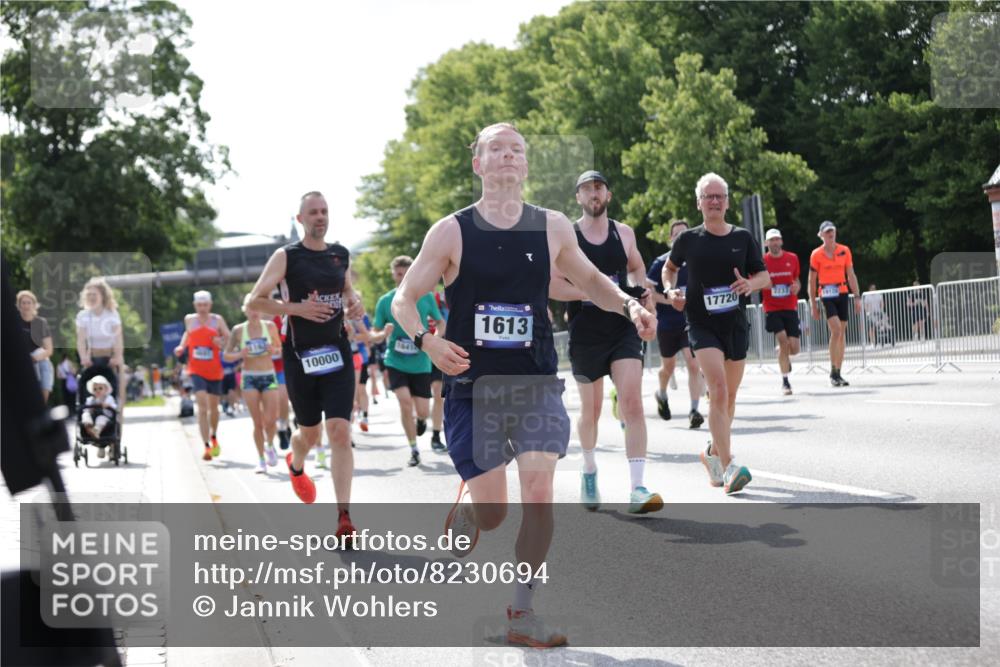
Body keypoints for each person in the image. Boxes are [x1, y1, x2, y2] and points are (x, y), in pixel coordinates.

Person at [391, 123, 656, 648]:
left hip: (535, 381)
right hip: (474, 385)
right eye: (496, 149)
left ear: (526, 166)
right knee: (495, 514)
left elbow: (592, 283)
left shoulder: (552, 225)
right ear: (478, 165)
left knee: (538, 493)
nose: (507, 156)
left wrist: (627, 305)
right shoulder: (451, 231)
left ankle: (521, 610)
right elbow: (403, 298)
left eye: (516, 149)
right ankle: (473, 507)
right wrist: (427, 341)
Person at [246, 191, 364, 539]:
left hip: (337, 352)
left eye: (325, 211)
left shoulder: (339, 254)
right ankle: (296, 465)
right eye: (313, 212)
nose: (320, 217)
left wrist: (354, 302)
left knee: (340, 431)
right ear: (301, 219)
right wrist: (296, 309)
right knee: (309, 434)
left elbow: (347, 291)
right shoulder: (286, 257)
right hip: (300, 357)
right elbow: (253, 300)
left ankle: (344, 517)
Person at [550, 170, 662, 514]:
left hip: (622, 326)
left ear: (608, 195)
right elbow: (552, 285)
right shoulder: (567, 236)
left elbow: (637, 269)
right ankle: (588, 468)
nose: (593, 194)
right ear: (578, 198)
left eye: (599, 188)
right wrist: (593, 292)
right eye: (586, 189)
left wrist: (643, 293)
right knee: (592, 411)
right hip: (585, 332)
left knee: (633, 403)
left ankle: (637, 487)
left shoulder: (623, 233)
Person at [662, 173, 769, 495]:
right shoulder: (688, 240)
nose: (714, 201)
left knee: (729, 397)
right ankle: (729, 464)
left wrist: (751, 284)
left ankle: (711, 453)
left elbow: (763, 274)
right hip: (701, 323)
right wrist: (671, 291)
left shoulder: (743, 237)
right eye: (708, 196)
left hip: (734, 324)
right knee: (718, 390)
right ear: (699, 203)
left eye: (719, 196)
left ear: (727, 202)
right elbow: (670, 269)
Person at [371, 256, 445, 466]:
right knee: (404, 403)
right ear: (393, 275)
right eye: (398, 274)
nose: (402, 278)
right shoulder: (386, 301)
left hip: (421, 363)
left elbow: (440, 323)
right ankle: (414, 449)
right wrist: (382, 333)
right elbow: (374, 332)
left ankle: (421, 421)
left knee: (423, 410)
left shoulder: (426, 298)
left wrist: (435, 340)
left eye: (406, 273)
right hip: (395, 361)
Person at [646, 220, 705, 427]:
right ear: (671, 239)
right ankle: (661, 393)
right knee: (668, 367)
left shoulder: (697, 260)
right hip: (667, 323)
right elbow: (649, 293)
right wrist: (670, 299)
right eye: (676, 235)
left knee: (693, 363)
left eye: (684, 233)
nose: (681, 238)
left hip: (691, 321)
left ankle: (694, 410)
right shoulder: (660, 263)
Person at [224, 299, 282, 474]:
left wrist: (274, 350)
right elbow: (226, 355)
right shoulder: (238, 330)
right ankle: (261, 460)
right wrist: (239, 354)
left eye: (257, 308)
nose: (254, 312)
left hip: (268, 375)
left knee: (271, 420)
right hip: (249, 377)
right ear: (245, 310)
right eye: (251, 308)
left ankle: (270, 445)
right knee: (257, 423)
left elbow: (280, 348)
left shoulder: (270, 327)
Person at [174, 290, 230, 461]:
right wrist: (181, 346)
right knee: (202, 407)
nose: (202, 308)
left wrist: (220, 342)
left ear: (210, 305)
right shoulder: (190, 319)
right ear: (195, 305)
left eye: (205, 305)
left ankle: (213, 435)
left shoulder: (217, 320)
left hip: (214, 370)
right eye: (199, 305)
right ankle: (206, 446)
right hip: (196, 369)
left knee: (214, 409)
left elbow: (228, 338)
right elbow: (187, 334)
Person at [808, 220, 861, 386]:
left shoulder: (844, 251)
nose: (831, 234)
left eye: (832, 231)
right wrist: (813, 304)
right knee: (836, 330)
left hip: (843, 293)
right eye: (827, 232)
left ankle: (838, 371)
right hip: (826, 294)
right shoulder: (816, 254)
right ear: (821, 235)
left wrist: (857, 297)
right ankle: (832, 371)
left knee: (841, 333)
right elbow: (812, 281)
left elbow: (851, 275)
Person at [761, 228, 802, 395]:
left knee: (795, 349)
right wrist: (765, 284)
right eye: (772, 240)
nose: (775, 243)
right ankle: (786, 382)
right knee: (783, 340)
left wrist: (796, 287)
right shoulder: (762, 261)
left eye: (777, 239)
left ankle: (782, 354)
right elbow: (755, 281)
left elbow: (797, 279)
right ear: (766, 243)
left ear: (781, 241)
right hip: (772, 308)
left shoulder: (792, 258)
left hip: (790, 306)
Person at [75, 277, 125, 405]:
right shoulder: (83, 316)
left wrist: (117, 357)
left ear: (102, 296)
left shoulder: (112, 314)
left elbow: (118, 339)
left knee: (117, 387)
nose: (91, 297)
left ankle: (116, 418)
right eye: (89, 294)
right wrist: (83, 358)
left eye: (94, 294)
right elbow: (81, 340)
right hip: (92, 358)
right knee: (84, 382)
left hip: (111, 357)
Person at [16, 290, 55, 404]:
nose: (26, 305)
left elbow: (49, 350)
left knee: (44, 365)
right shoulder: (15, 322)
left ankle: (42, 407)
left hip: (38, 358)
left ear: (34, 305)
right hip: (19, 358)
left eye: (29, 302)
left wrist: (35, 358)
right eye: (23, 303)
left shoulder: (41, 323)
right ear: (19, 305)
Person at [80, 374, 117, 444]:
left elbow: (115, 407)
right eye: (95, 389)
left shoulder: (109, 398)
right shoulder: (91, 399)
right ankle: (88, 426)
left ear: (106, 389)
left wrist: (108, 405)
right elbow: (86, 409)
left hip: (104, 417)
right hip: (92, 418)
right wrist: (89, 409)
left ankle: (96, 431)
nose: (97, 390)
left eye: (100, 388)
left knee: (100, 418)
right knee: (85, 414)